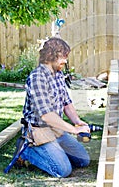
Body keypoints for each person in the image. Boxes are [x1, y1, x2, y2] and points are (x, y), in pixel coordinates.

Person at [15, 37, 90, 178]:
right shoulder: (37, 77)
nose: (65, 61)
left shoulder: (59, 75)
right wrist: (74, 130)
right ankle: (26, 152)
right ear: (51, 56)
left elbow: (66, 103)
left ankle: (55, 150)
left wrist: (77, 121)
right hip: (39, 131)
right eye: (63, 57)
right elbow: (47, 116)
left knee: (83, 160)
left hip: (56, 130)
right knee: (63, 170)